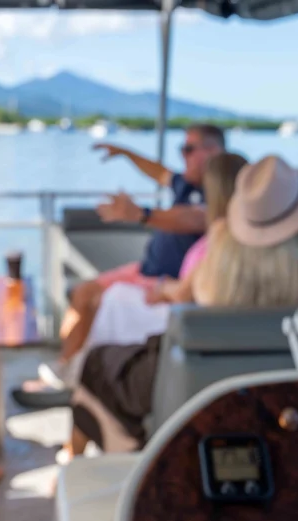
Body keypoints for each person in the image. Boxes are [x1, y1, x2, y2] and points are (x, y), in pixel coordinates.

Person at [69, 154, 298, 454]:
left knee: (97, 364)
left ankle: (77, 460)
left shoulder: (213, 266)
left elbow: (180, 294)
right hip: (280, 399)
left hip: (195, 399)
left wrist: (163, 289)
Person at [40, 124, 225, 387]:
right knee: (82, 294)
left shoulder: (218, 194)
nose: (182, 155)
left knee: (94, 299)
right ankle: (66, 367)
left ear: (212, 151)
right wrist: (126, 153)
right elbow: (160, 172)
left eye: (187, 149)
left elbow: (195, 218)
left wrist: (142, 215)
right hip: (145, 269)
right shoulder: (186, 184)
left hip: (163, 280)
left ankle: (73, 373)